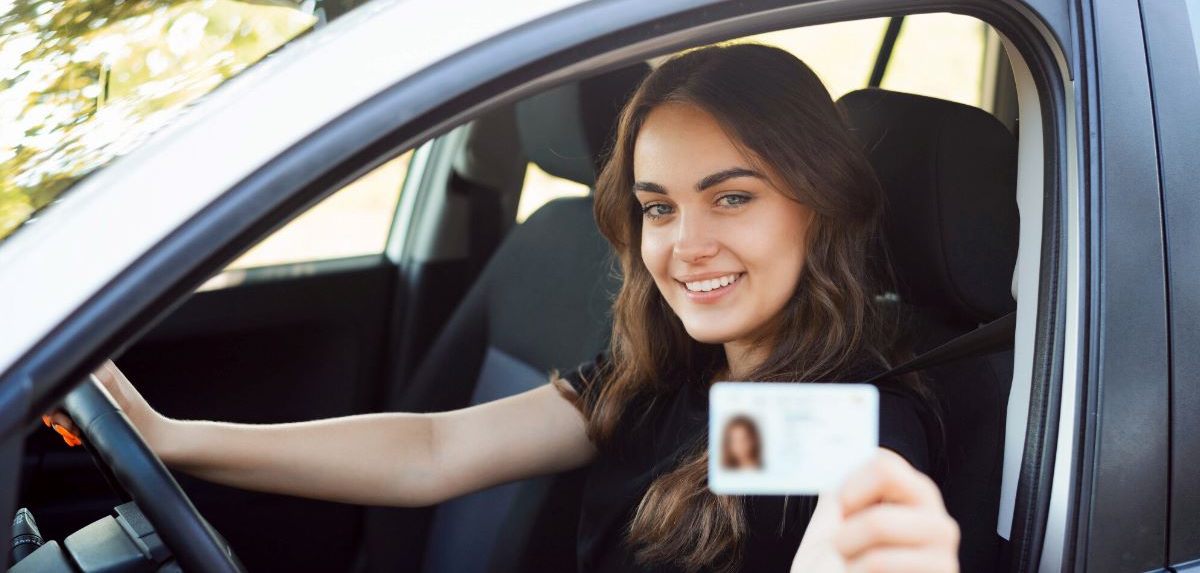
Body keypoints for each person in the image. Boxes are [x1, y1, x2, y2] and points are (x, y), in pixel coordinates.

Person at [46, 42, 960, 572]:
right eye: (657, 207)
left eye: (732, 198)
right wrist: (168, 436)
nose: (686, 247)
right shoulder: (680, 381)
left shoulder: (845, 427)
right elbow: (436, 452)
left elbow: (861, 528)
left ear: (820, 200)